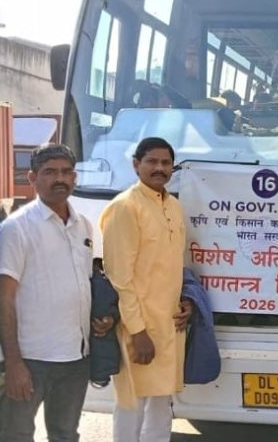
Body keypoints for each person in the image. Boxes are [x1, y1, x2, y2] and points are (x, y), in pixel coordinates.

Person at [0, 143, 113, 441]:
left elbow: (84, 284)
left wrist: (101, 319)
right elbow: (4, 298)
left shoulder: (83, 226)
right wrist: (13, 362)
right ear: (33, 178)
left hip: (76, 357)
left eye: (66, 172)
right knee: (16, 434)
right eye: (49, 172)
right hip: (31, 358)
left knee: (65, 434)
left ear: (75, 177)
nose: (59, 179)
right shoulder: (17, 228)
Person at [99, 137, 192, 442]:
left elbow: (173, 266)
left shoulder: (174, 207)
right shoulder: (125, 207)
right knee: (132, 405)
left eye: (166, 163)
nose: (159, 168)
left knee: (161, 405)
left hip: (169, 326)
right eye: (152, 161)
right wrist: (138, 331)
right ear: (136, 164)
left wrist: (186, 301)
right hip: (137, 328)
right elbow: (119, 278)